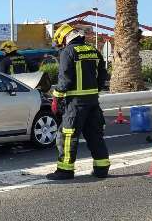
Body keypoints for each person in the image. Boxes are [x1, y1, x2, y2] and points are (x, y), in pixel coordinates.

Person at [47, 24, 110, 181]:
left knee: (67, 136)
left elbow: (65, 79)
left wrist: (56, 97)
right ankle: (101, 169)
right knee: (95, 135)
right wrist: (93, 90)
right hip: (93, 102)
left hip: (75, 103)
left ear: (65, 37)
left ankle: (65, 170)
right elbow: (103, 75)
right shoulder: (94, 51)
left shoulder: (68, 52)